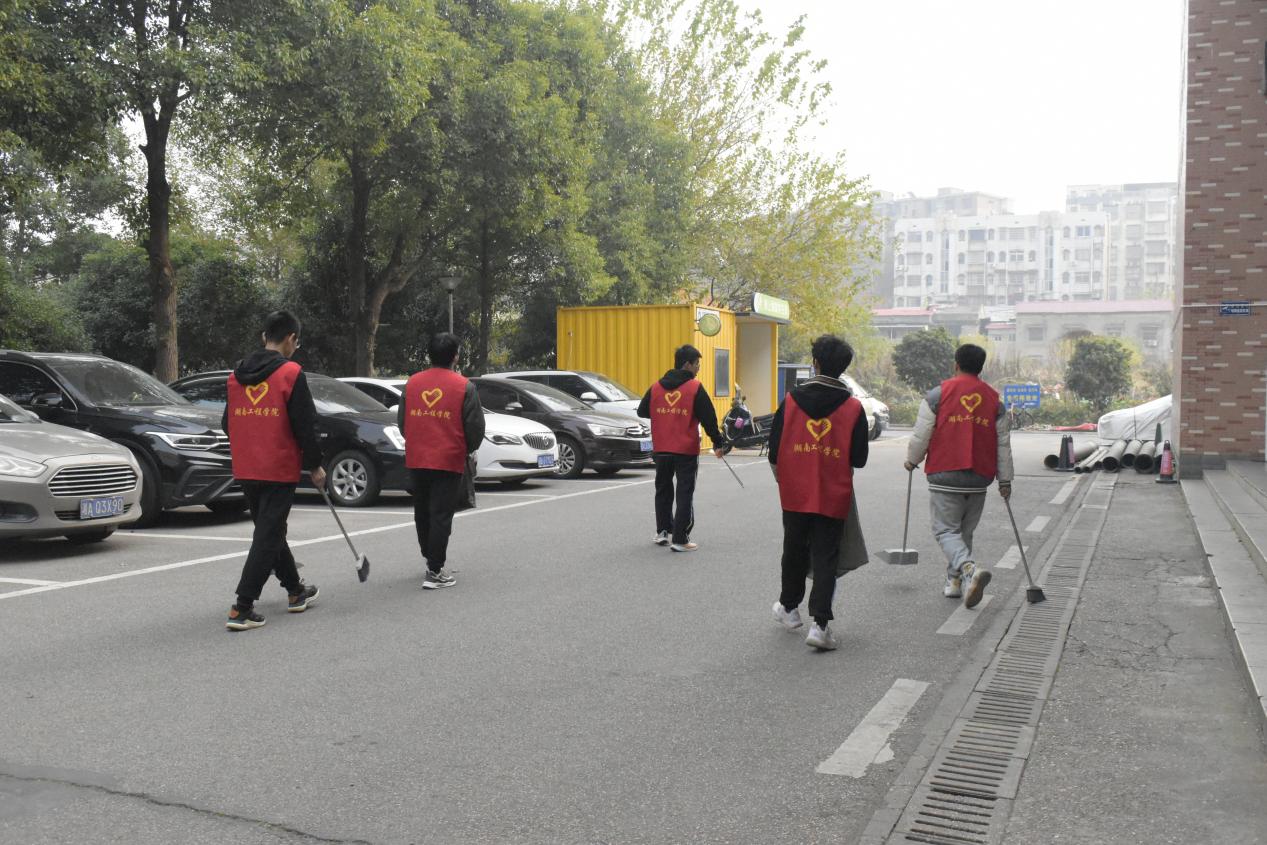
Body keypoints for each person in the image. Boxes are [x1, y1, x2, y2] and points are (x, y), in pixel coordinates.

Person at [222, 310, 324, 631]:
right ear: (291, 338)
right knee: (268, 534)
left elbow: (227, 423)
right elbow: (305, 425)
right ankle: (242, 607)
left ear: (264, 336)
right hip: (278, 467)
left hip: (246, 466)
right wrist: (315, 465)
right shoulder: (291, 374)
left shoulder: (236, 375)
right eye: (297, 341)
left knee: (271, 530)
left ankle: (295, 591)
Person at [767, 335, 870, 651]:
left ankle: (789, 607)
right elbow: (859, 459)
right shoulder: (853, 408)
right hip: (833, 492)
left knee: (794, 549)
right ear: (843, 368)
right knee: (826, 556)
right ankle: (820, 625)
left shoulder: (791, 401)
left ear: (815, 363)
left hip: (795, 491)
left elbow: (774, 451)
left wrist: (785, 478)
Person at [905, 343, 1013, 609]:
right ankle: (954, 583)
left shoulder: (938, 395)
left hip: (945, 472)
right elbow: (1003, 444)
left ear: (956, 364)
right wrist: (1005, 479)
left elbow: (922, 434)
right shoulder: (994, 401)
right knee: (964, 532)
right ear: (981, 367)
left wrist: (912, 459)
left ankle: (968, 569)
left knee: (945, 530)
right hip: (979, 477)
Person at [398, 332, 484, 589]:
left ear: (429, 354)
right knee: (441, 514)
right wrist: (467, 449)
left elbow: (402, 422)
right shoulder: (464, 387)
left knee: (422, 511)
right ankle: (435, 570)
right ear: (455, 356)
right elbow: (475, 427)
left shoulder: (412, 384)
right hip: (448, 458)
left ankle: (430, 557)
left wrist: (417, 441)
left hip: (417, 457)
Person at [636, 344, 727, 552]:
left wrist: (664, 415)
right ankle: (680, 538)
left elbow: (642, 410)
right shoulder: (694, 388)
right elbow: (709, 418)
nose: (698, 368)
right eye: (697, 364)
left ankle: (662, 532)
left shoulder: (656, 387)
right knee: (684, 492)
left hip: (661, 448)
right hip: (685, 450)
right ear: (687, 364)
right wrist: (718, 442)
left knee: (663, 490)